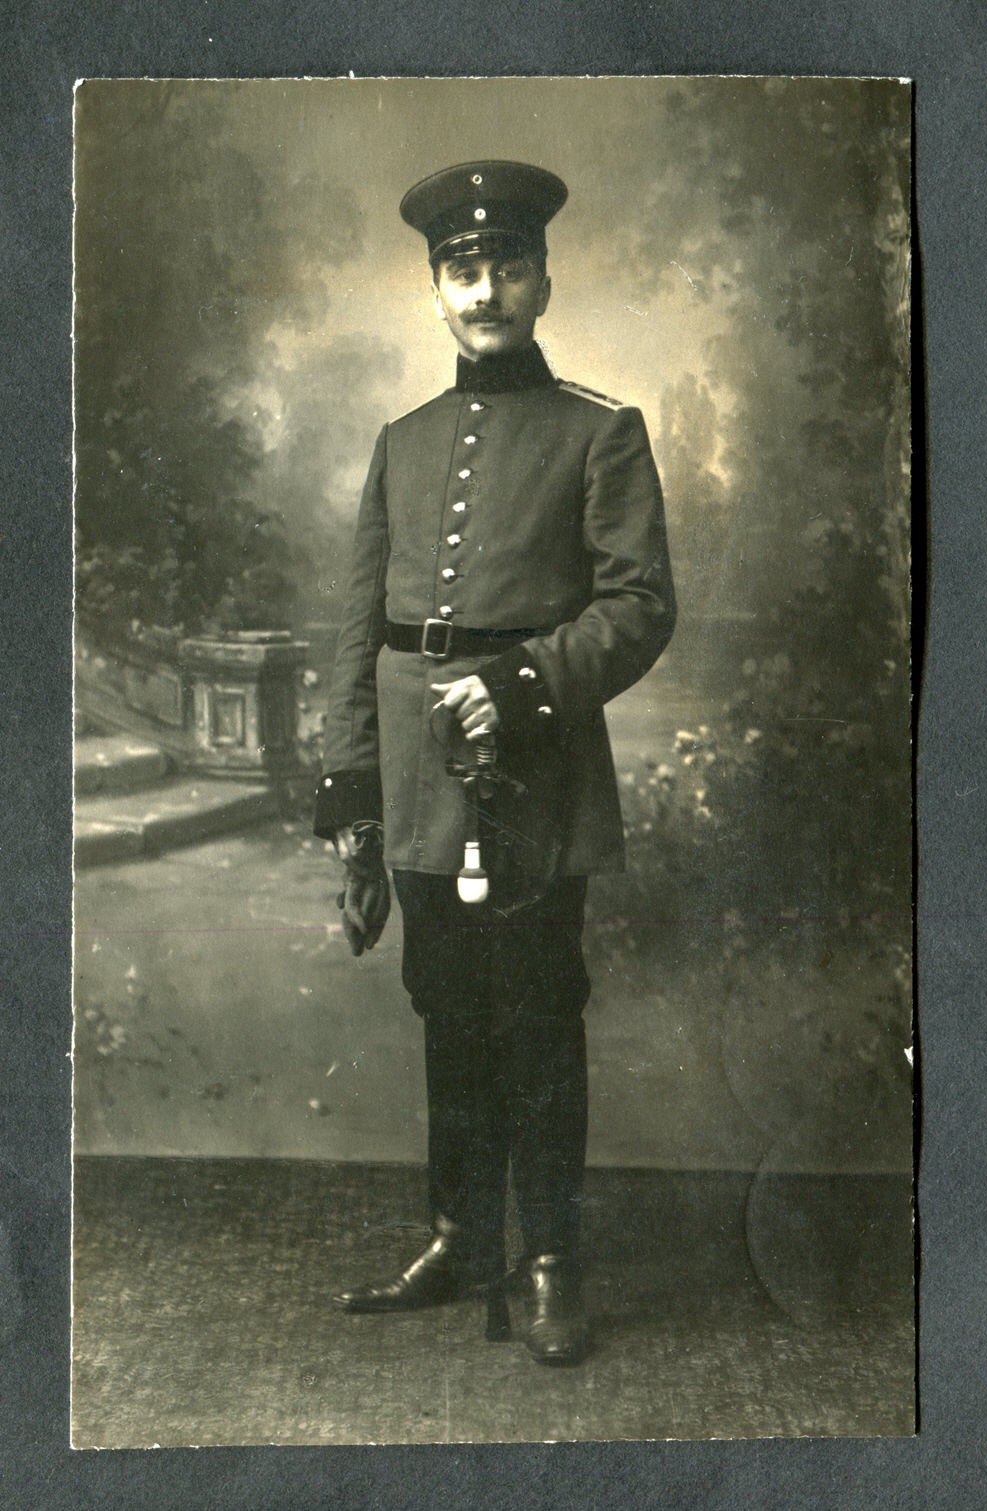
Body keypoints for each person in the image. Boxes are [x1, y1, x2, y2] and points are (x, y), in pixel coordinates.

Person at [313, 160, 676, 1365]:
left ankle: (550, 1259)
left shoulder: (600, 430)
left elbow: (640, 607)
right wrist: (355, 795)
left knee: (536, 1016)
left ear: (543, 280)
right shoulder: (403, 441)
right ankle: (460, 1236)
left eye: (506, 267)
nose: (485, 292)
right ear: (434, 290)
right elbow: (358, 632)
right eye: (462, 271)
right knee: (447, 1011)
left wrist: (518, 683)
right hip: (420, 784)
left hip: (536, 775)